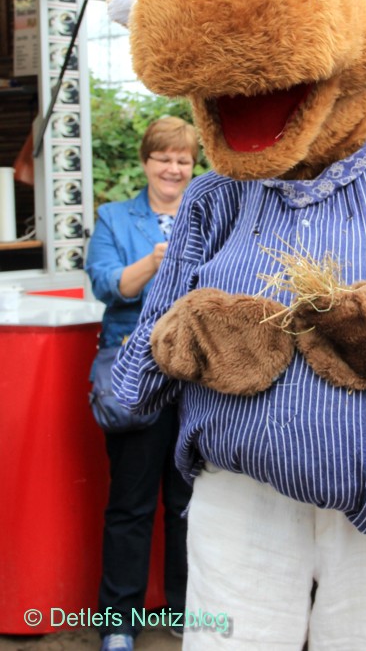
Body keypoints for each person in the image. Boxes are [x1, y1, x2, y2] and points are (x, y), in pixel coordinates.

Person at [86, 116, 199, 651]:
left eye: (183, 160)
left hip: (197, 376)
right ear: (146, 161)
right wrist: (153, 263)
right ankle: (118, 623)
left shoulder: (208, 213)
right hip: (136, 374)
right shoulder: (114, 218)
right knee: (130, 504)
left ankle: (184, 610)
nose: (173, 169)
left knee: (189, 503)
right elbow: (108, 285)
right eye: (164, 158)